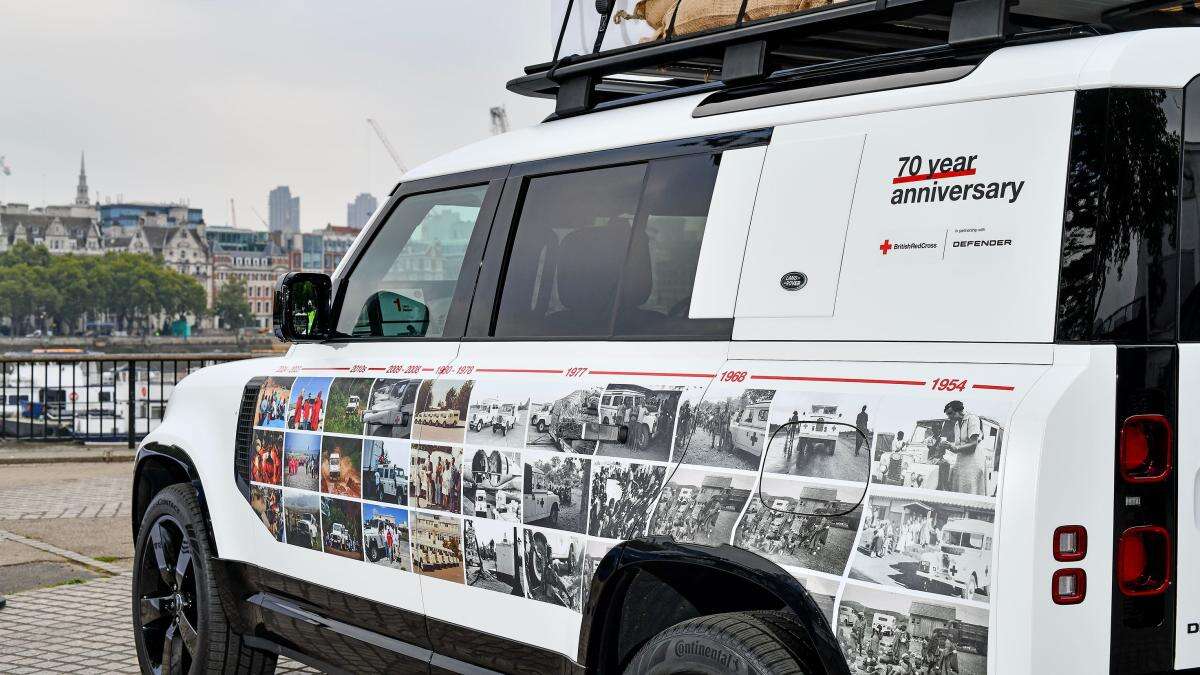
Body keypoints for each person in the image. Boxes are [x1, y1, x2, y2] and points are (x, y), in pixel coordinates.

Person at [942, 400, 985, 495]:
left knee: (971, 491)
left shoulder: (972, 418)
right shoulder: (957, 424)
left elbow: (973, 444)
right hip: (962, 461)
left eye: (950, 413)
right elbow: (958, 446)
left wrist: (956, 449)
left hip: (973, 461)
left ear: (959, 411)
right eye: (947, 415)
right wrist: (949, 446)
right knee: (955, 484)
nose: (949, 417)